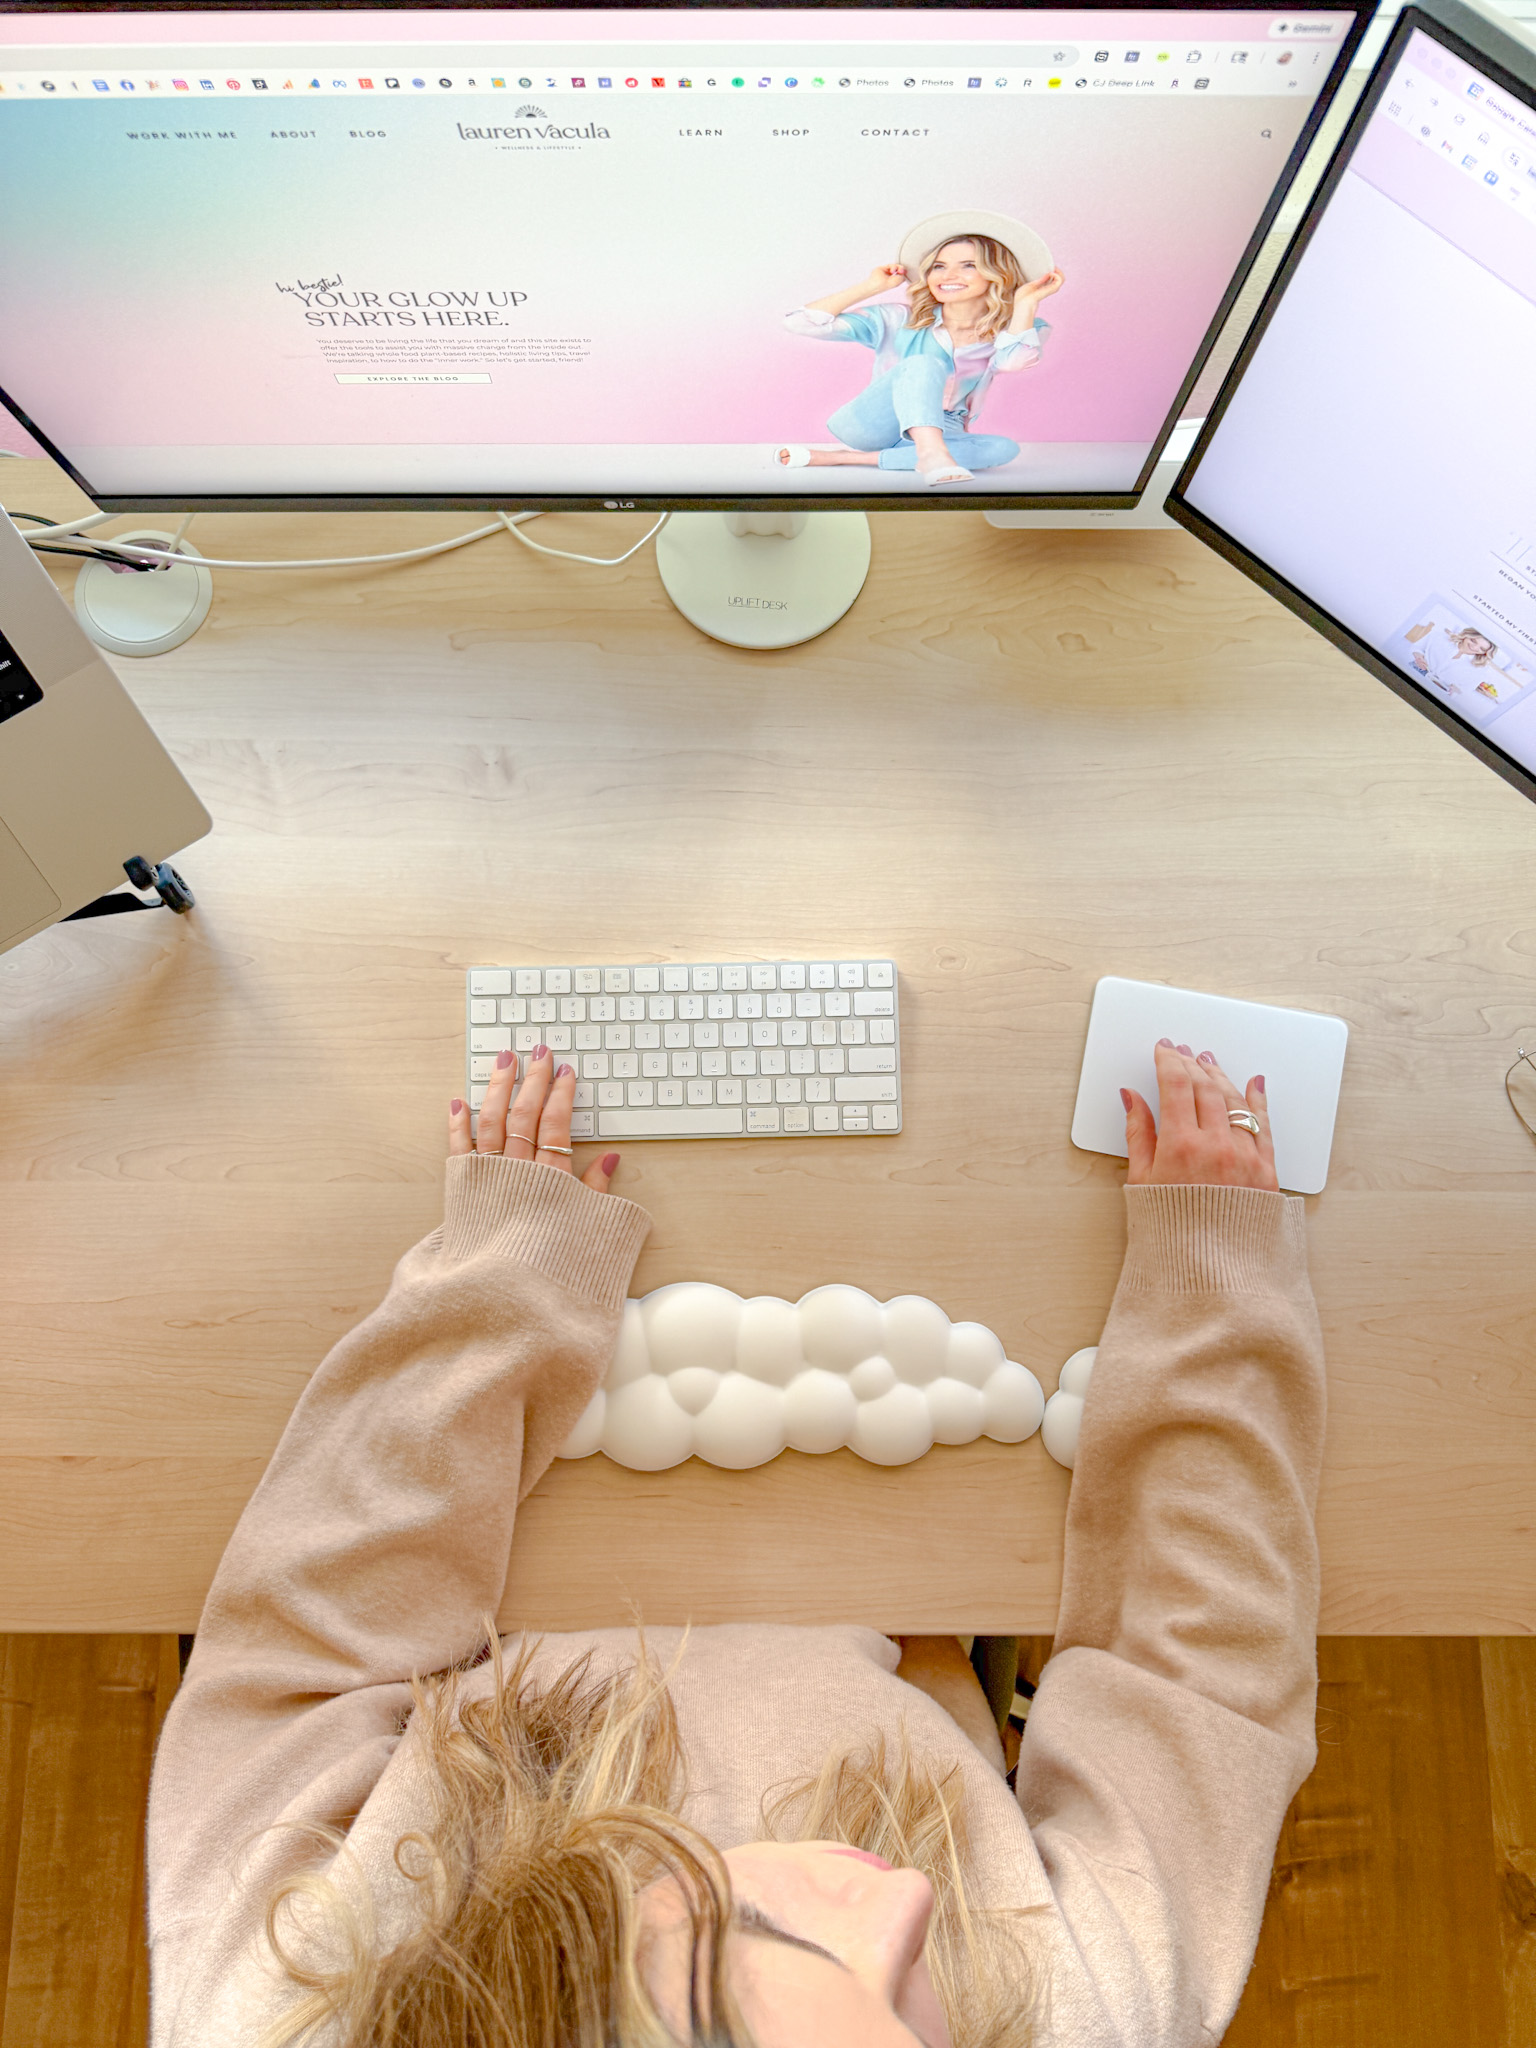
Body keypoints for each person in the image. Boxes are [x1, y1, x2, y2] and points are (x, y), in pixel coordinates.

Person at [146, 1037, 1324, 2048]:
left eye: (761, 1930)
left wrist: (500, 1287)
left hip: (497, 1621)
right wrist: (1213, 1282)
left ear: (547, 1954)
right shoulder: (1079, 2020)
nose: (910, 1903)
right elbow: (1197, 1683)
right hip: (899, 1606)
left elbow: (296, 1652)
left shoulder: (282, 2000)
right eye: (919, 2028)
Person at [775, 235, 1065, 487]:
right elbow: (799, 323)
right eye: (939, 266)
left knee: (1003, 449)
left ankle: (846, 458)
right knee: (924, 363)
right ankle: (931, 454)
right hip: (874, 422)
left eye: (968, 265)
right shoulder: (899, 319)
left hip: (945, 427)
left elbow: (1013, 363)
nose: (948, 275)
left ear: (997, 274)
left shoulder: (1022, 328)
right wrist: (872, 286)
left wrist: (1025, 303)